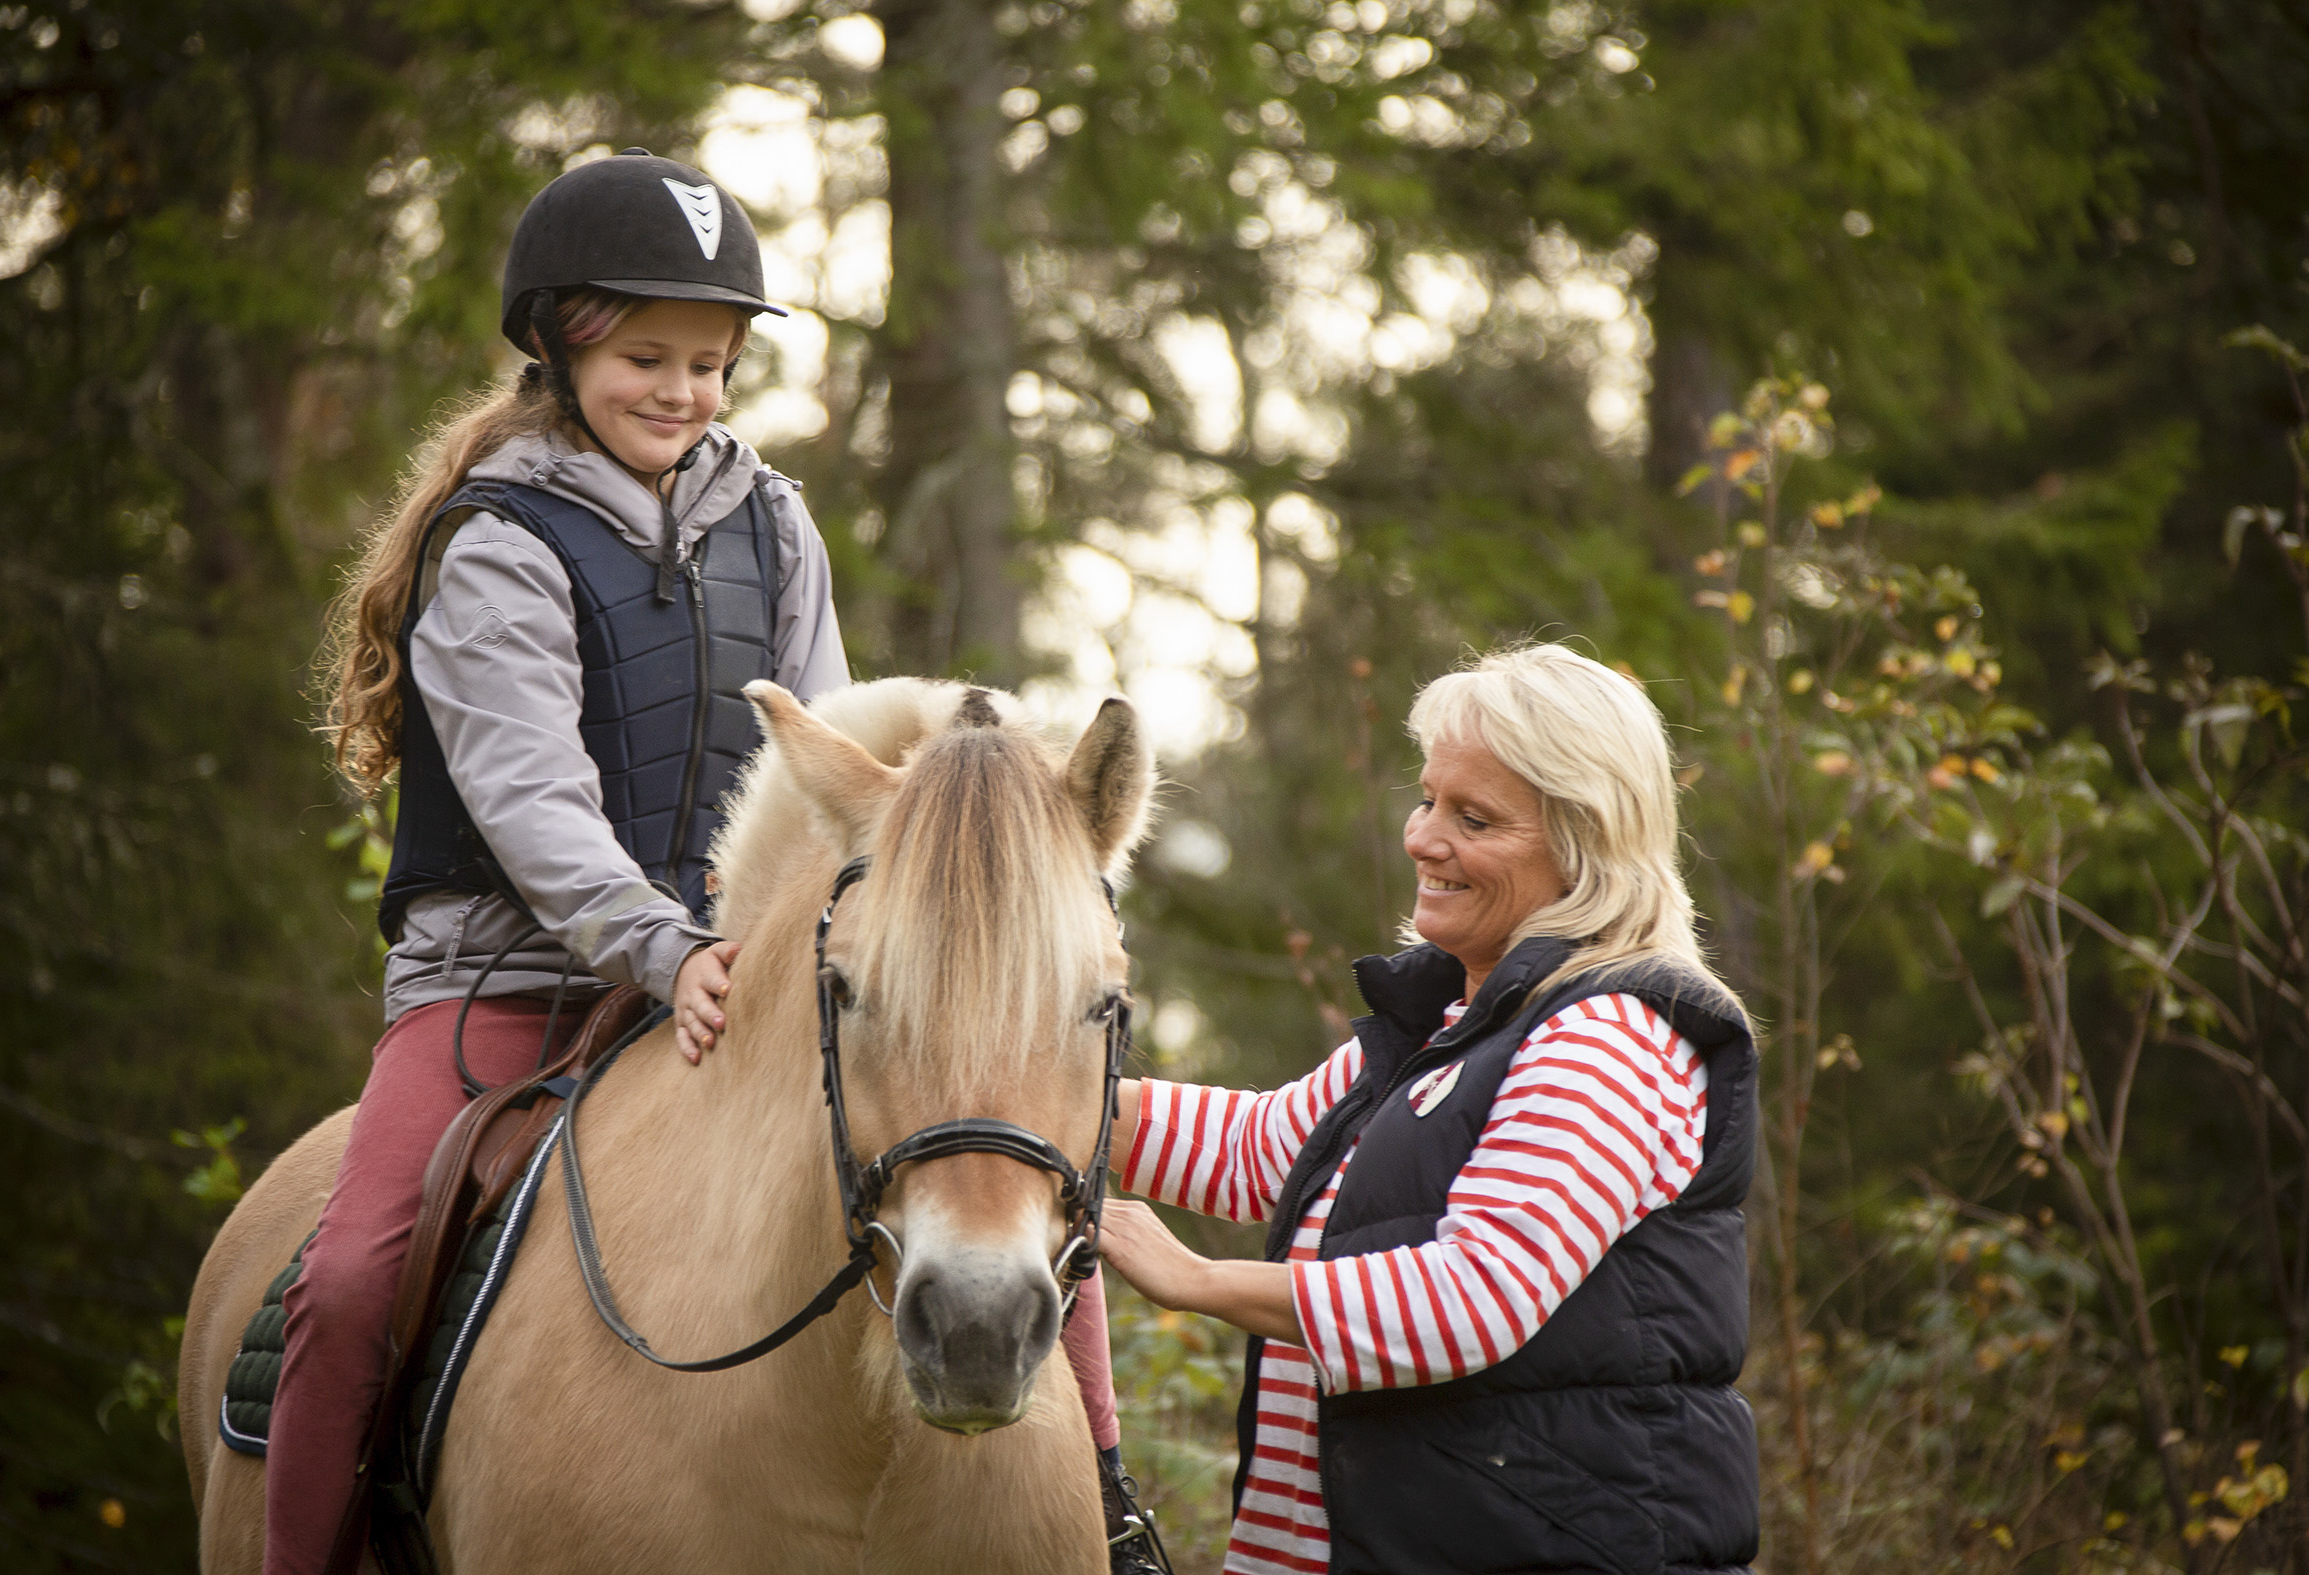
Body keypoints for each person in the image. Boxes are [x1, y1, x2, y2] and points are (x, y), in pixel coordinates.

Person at [286, 150, 1152, 1573]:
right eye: (645, 356)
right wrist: (662, 944)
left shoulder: (772, 520)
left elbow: (820, 763)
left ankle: (1107, 1507)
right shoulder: (495, 540)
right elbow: (531, 799)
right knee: (347, 1277)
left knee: (1015, 1185)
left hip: (740, 982)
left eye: (709, 361)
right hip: (508, 984)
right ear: (558, 348)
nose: (680, 391)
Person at [1098, 643, 1761, 1575]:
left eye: (1474, 818)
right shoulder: (1454, 1024)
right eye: (1427, 799)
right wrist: (1023, 1095)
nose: (1421, 837)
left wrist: (1197, 1280)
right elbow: (1258, 1151)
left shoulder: (1608, 1033)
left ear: (1585, 841)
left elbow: (1472, 1296)